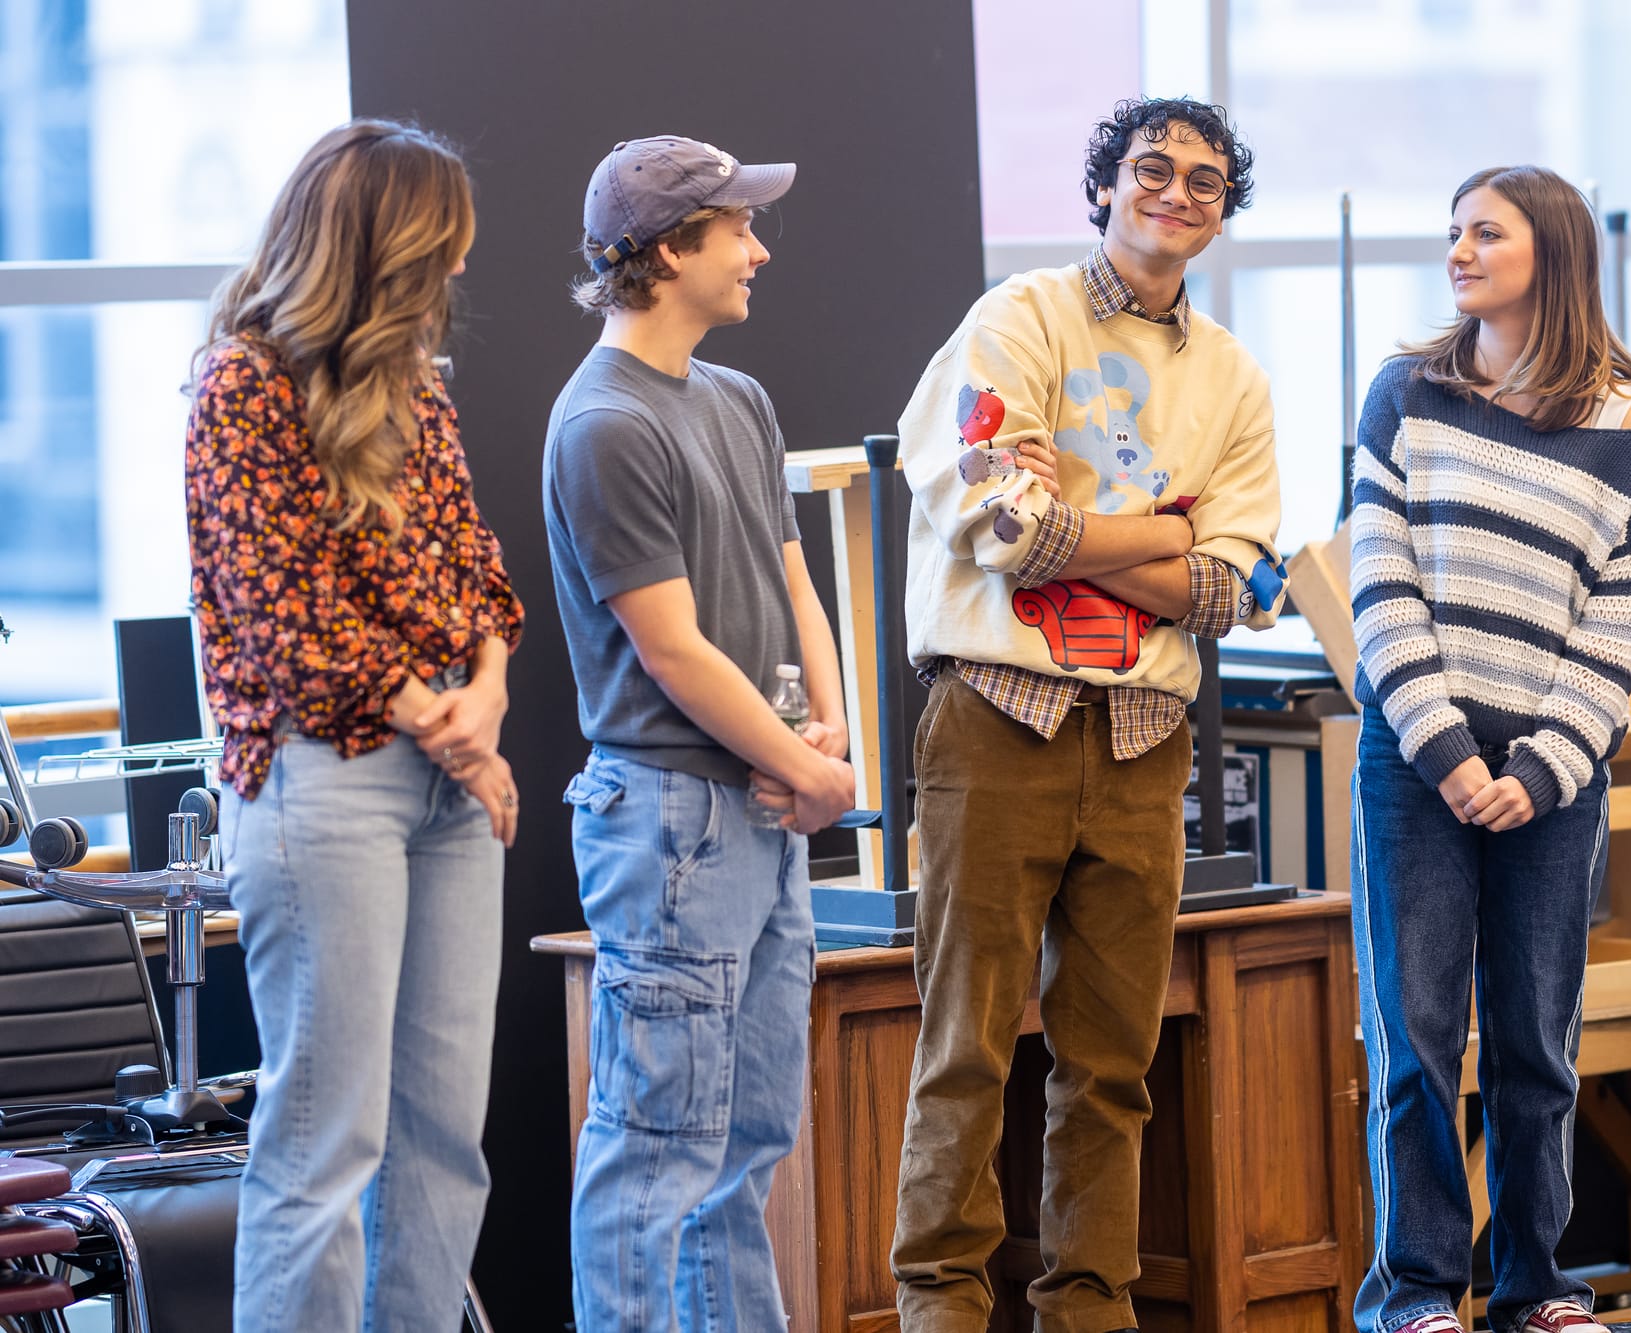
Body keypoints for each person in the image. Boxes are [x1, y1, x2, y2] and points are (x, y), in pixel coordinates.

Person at [890, 96, 1289, 1332]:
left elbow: (1238, 587)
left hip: (1140, 743)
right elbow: (999, 522)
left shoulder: (1230, 376)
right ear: (1101, 187)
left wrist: (1076, 538)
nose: (1176, 191)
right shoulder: (1016, 319)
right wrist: (1159, 535)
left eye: (1205, 180)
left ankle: (1088, 1310)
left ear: (1223, 215)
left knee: (1110, 1069)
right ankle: (940, 1311)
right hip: (995, 717)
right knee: (965, 1051)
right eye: (1150, 169)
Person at [185, 119, 524, 1333]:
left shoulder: (416, 391)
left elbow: (478, 572)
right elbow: (289, 615)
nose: (460, 274)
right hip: (324, 781)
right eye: (445, 251)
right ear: (379, 249)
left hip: (444, 780)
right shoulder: (241, 385)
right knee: (327, 1140)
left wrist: (483, 695)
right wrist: (445, 720)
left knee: (444, 1137)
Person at [1345, 165, 1631, 1333]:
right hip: (1412, 764)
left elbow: (1613, 633)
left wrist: (1536, 772)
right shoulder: (1404, 395)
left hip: (1551, 776)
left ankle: (1535, 1286)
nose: (1457, 251)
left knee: (1536, 1040)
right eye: (1452, 233)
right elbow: (1379, 588)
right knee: (1415, 1034)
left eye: (1484, 232)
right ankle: (1415, 1292)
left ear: (1554, 254)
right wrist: (1446, 755)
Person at [542, 134, 855, 1329]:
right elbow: (669, 651)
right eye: (736, 229)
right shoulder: (603, 424)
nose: (758, 250)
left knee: (745, 1139)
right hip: (675, 825)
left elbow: (792, 581)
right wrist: (807, 772)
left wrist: (828, 741)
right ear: (672, 249)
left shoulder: (736, 399)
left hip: (768, 808)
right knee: (655, 1145)